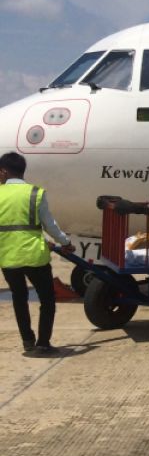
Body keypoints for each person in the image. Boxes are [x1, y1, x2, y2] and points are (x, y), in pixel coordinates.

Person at [0, 152, 74, 355]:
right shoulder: (35, 193)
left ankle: (27, 341)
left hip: (8, 257)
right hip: (35, 256)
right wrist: (65, 243)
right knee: (47, 299)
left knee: (19, 297)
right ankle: (43, 343)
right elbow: (50, 225)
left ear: (4, 171)